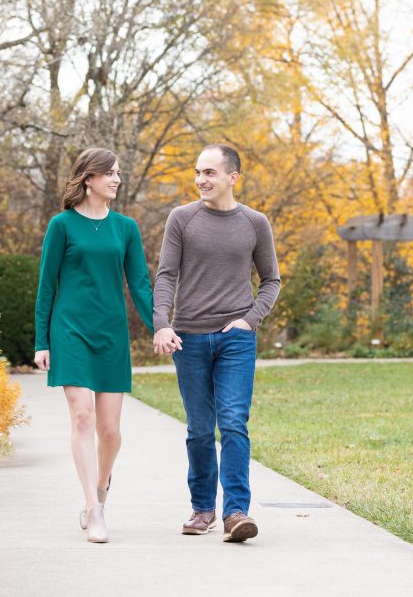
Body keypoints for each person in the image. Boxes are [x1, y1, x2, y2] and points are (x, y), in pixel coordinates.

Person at [152, 144, 281, 543]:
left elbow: (271, 281)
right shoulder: (182, 219)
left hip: (235, 341)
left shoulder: (255, 223)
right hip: (188, 338)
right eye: (197, 172)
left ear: (232, 178)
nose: (201, 180)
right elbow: (166, 275)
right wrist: (162, 323)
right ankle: (202, 508)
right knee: (200, 429)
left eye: (209, 172)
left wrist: (249, 320)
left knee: (233, 423)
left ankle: (235, 513)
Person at [34, 147, 155, 543]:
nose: (117, 179)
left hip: (111, 333)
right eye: (110, 174)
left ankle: (101, 485)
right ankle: (93, 508)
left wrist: (160, 326)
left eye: (119, 173)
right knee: (82, 416)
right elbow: (47, 285)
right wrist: (41, 340)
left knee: (110, 431)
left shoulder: (126, 228)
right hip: (69, 331)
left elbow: (139, 284)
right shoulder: (62, 225)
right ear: (89, 179)